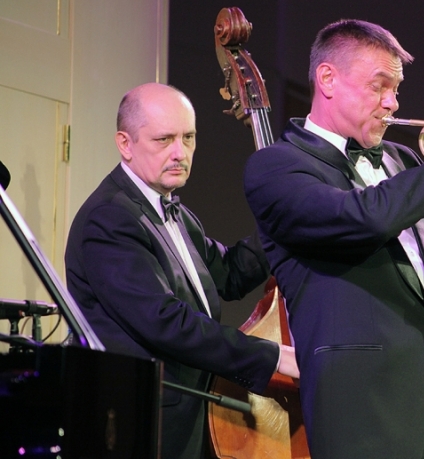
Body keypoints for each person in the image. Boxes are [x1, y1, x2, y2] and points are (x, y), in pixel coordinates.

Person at [243, 19, 424, 458]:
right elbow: (363, 219)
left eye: (396, 89)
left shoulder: (403, 161)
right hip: (360, 413)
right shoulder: (277, 166)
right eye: (379, 86)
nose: (392, 103)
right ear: (328, 79)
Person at [65, 83, 298, 459]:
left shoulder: (176, 213)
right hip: (141, 424)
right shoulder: (109, 218)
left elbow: (230, 275)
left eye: (188, 137)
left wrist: (283, 223)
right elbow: (165, 322)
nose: (180, 152)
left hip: (188, 416)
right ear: (125, 144)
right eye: (164, 139)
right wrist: (274, 356)